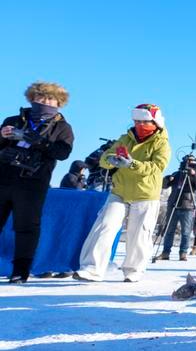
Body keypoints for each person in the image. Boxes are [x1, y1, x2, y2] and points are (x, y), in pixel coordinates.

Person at [74, 104, 171, 282]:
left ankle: (134, 270)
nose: (140, 125)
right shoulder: (125, 138)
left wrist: (132, 164)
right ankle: (91, 268)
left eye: (144, 121)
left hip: (145, 194)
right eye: (137, 121)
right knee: (104, 226)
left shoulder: (162, 143)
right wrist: (110, 160)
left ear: (155, 122)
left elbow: (157, 167)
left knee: (139, 234)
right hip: (119, 191)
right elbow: (104, 158)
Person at [0, 82, 74, 283]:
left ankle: (20, 271)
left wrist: (39, 141)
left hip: (32, 184)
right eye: (40, 98)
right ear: (32, 99)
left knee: (26, 227)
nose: (45, 102)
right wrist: (2, 136)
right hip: (3, 178)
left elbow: (63, 153)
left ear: (59, 103)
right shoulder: (13, 120)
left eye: (50, 99)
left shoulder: (62, 128)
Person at [159, 156, 196, 261]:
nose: (188, 162)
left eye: (191, 160)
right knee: (169, 230)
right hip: (173, 205)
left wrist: (194, 175)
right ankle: (165, 253)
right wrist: (167, 179)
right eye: (187, 160)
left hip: (188, 207)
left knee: (186, 232)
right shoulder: (177, 174)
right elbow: (163, 186)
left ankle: (183, 253)